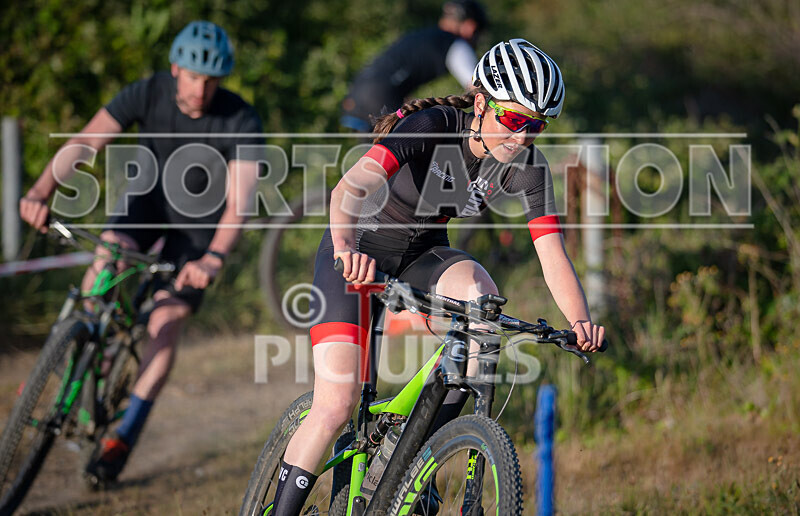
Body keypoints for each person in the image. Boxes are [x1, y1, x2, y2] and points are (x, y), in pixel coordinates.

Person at [267, 38, 606, 515]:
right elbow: (350, 188)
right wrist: (344, 248)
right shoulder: (431, 125)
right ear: (481, 103)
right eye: (514, 120)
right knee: (336, 405)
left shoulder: (528, 167)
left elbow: (552, 253)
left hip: (421, 254)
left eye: (537, 126)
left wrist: (579, 321)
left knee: (483, 304)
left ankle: (408, 457)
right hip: (358, 249)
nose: (523, 137)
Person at [18, 20, 263, 483]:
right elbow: (87, 142)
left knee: (164, 323)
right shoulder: (147, 92)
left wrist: (214, 257)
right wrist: (40, 191)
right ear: (175, 69)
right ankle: (73, 362)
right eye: (193, 76)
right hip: (145, 205)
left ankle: (122, 437)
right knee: (105, 261)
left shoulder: (241, 119)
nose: (201, 89)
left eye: (211, 80)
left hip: (198, 234)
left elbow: (240, 203)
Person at [340, 0, 488, 133]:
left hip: (356, 94)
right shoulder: (455, 43)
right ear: (470, 27)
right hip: (380, 97)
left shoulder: (424, 35)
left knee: (373, 154)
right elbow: (477, 86)